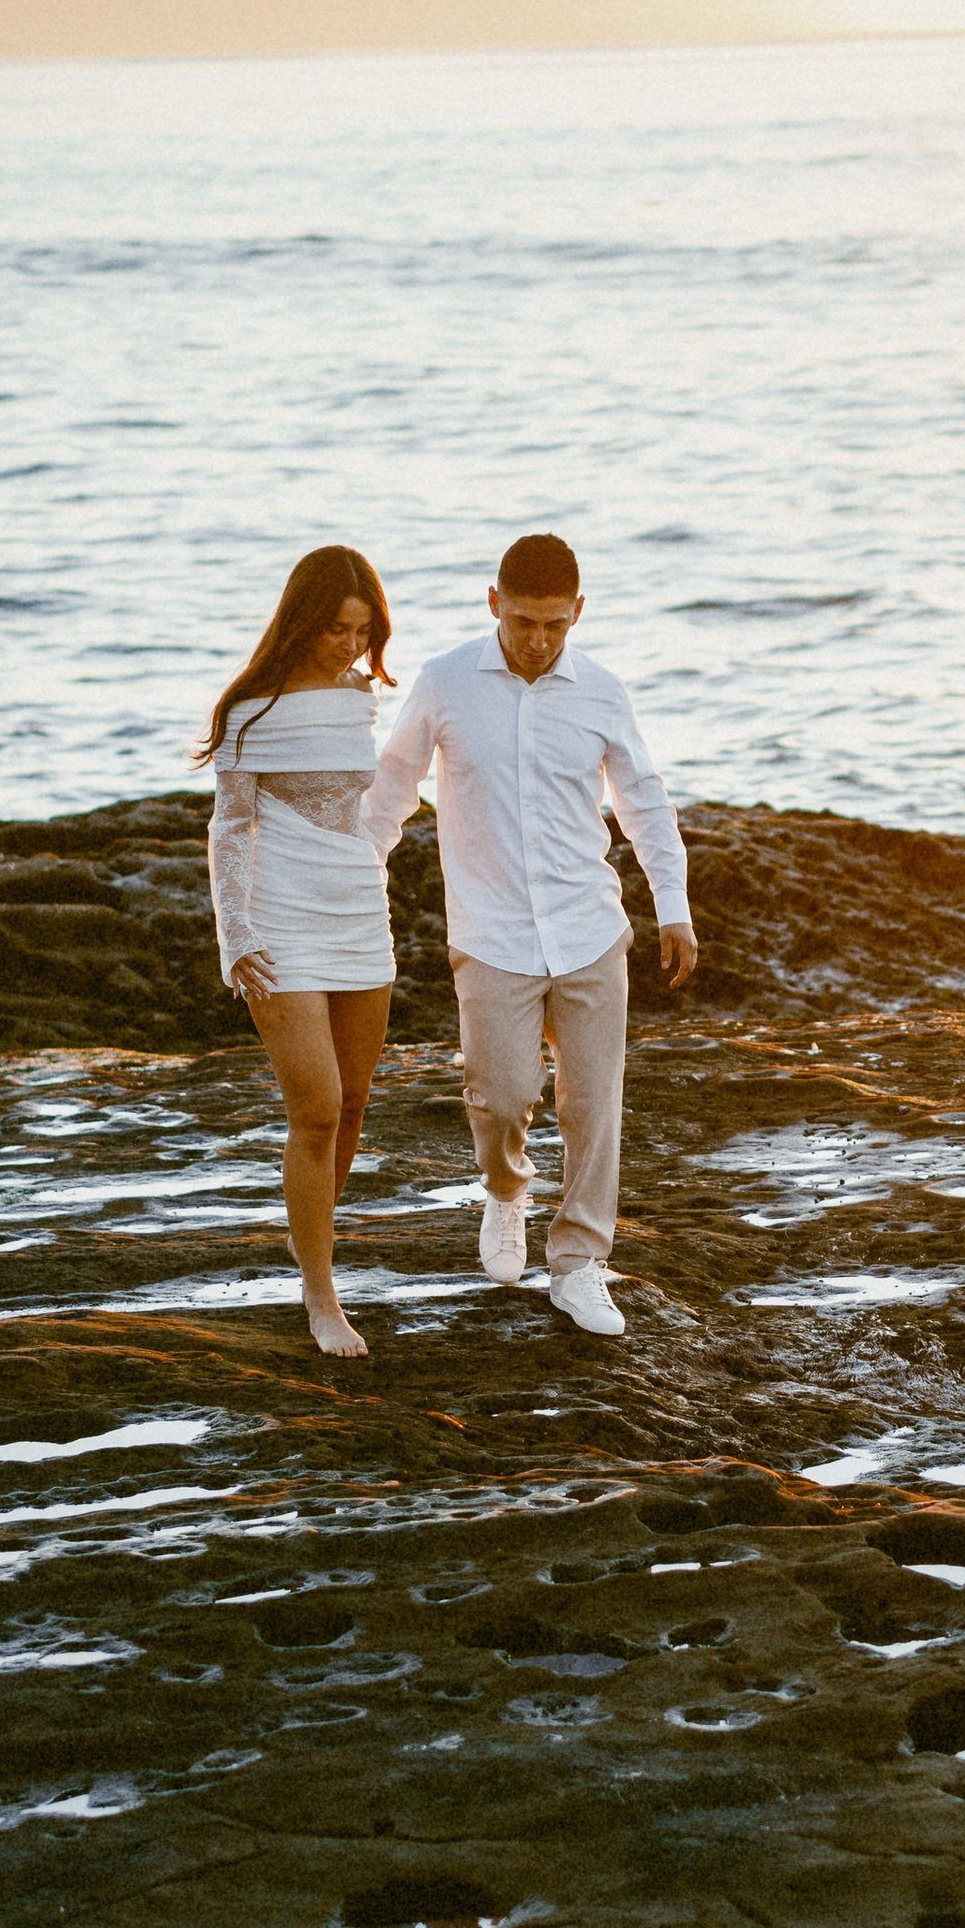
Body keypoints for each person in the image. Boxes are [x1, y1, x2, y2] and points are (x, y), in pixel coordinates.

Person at [365, 532, 697, 1337]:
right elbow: (391, 787)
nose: (539, 640)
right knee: (502, 1093)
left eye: (555, 624)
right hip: (492, 933)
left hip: (588, 926)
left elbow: (643, 799)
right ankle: (506, 1191)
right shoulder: (446, 683)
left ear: (577, 613)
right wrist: (354, 881)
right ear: (494, 606)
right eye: (523, 622)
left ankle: (581, 1263)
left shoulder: (602, 692)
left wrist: (674, 903)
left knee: (594, 1106)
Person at [197, 545, 400, 1360]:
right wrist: (235, 933)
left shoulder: (360, 701)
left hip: (356, 906)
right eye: (336, 629)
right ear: (302, 620)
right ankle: (321, 1293)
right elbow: (230, 827)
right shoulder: (252, 710)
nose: (350, 645)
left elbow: (371, 803)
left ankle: (308, 1235)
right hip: (279, 917)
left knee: (352, 1104)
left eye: (363, 630)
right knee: (314, 1108)